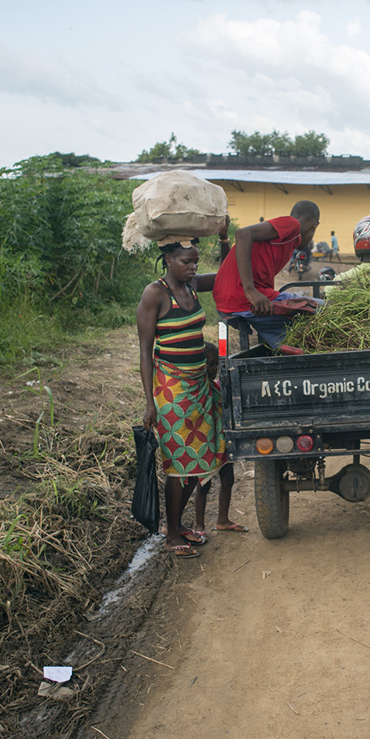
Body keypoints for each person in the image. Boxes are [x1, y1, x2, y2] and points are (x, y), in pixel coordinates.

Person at [137, 238, 243, 558]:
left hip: (199, 386)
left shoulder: (192, 285)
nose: (194, 267)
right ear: (168, 259)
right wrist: (150, 402)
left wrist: (224, 239)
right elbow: (145, 352)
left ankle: (177, 526)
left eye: (196, 261)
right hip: (172, 390)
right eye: (187, 262)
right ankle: (171, 535)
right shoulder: (155, 294)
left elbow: (228, 272)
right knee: (179, 464)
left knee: (197, 461)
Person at [213, 201, 321, 348]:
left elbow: (228, 268)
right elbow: (243, 234)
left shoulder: (290, 240)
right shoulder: (292, 225)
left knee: (296, 342)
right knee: (326, 309)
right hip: (244, 299)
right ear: (314, 226)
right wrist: (250, 291)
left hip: (229, 303)